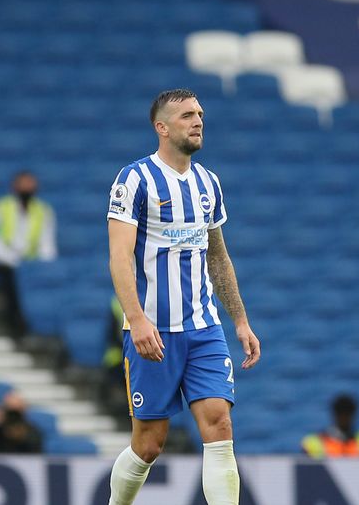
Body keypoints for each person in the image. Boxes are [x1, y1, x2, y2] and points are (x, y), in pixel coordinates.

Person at [106, 89, 261, 505]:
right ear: (161, 127)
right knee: (149, 444)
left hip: (203, 327)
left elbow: (217, 255)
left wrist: (240, 320)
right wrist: (137, 318)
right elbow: (119, 256)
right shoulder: (135, 179)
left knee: (219, 425)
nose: (198, 121)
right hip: (153, 331)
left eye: (200, 114)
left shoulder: (208, 182)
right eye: (187, 115)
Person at [0, 171, 57, 335]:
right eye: (24, 185)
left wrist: (36, 266)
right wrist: (17, 262)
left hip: (31, 267)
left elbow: (47, 247)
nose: (27, 190)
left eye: (31, 186)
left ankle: (38, 329)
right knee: (12, 280)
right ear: (14, 187)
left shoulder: (44, 211)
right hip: (2, 266)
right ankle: (15, 327)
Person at [302, 394, 359, 459]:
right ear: (334, 414)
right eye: (341, 412)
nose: (344, 417)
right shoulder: (314, 442)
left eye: (348, 412)